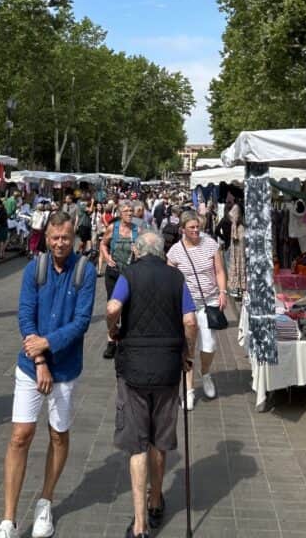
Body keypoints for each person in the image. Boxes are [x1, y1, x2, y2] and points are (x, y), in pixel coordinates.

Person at [0, 211, 95, 538]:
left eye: (65, 237)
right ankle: (8, 519)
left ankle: (45, 501)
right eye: (54, 238)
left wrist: (48, 344)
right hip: (30, 367)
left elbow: (81, 323)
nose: (60, 243)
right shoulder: (33, 269)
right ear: (46, 237)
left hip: (65, 368)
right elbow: (25, 315)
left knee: (58, 434)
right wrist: (39, 360)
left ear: (74, 237)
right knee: (20, 435)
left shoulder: (85, 271)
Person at [106, 230, 197, 538]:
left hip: (134, 368)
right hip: (168, 368)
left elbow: (112, 308)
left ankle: (140, 524)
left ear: (139, 250)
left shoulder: (129, 274)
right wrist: (188, 353)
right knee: (160, 440)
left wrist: (113, 331)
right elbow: (190, 322)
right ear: (160, 251)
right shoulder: (177, 278)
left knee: (137, 444)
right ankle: (156, 500)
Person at [167, 210, 228, 409]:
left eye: (197, 227)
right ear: (182, 229)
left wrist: (222, 292)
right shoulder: (175, 251)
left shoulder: (210, 244)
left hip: (209, 300)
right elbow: (171, 280)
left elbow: (219, 271)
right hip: (186, 304)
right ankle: (189, 390)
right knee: (188, 346)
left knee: (209, 345)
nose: (195, 230)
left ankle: (206, 372)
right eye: (191, 227)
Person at [99, 201, 139, 359]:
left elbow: (144, 249)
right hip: (114, 273)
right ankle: (111, 341)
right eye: (127, 211)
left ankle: (124, 339)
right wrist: (107, 257)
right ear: (120, 213)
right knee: (112, 307)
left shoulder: (137, 230)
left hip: (130, 273)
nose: (130, 213)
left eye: (131, 211)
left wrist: (139, 251)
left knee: (128, 306)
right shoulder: (112, 228)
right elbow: (103, 243)